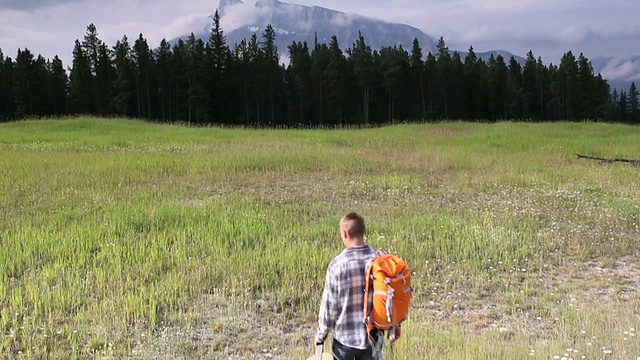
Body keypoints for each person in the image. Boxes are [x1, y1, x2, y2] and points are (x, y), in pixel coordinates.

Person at [315, 212, 400, 360]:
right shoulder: (379, 259)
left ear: (344, 233)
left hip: (344, 341)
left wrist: (321, 334)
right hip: (372, 337)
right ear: (363, 232)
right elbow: (389, 296)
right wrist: (395, 325)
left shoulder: (338, 265)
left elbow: (329, 307)